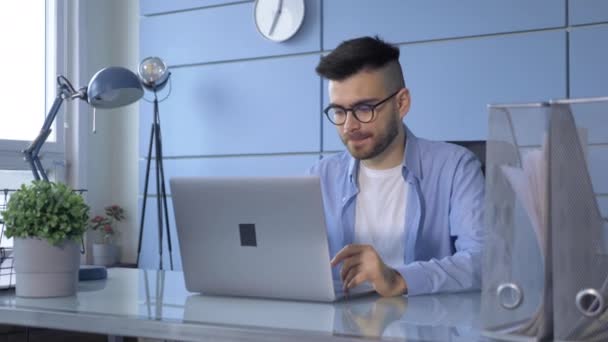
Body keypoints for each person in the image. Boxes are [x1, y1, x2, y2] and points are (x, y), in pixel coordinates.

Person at [309, 36, 485, 297]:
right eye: (339, 111)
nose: (349, 126)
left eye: (364, 108)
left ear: (401, 103)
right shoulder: (319, 176)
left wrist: (398, 279)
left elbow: (484, 261)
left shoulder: (456, 167)